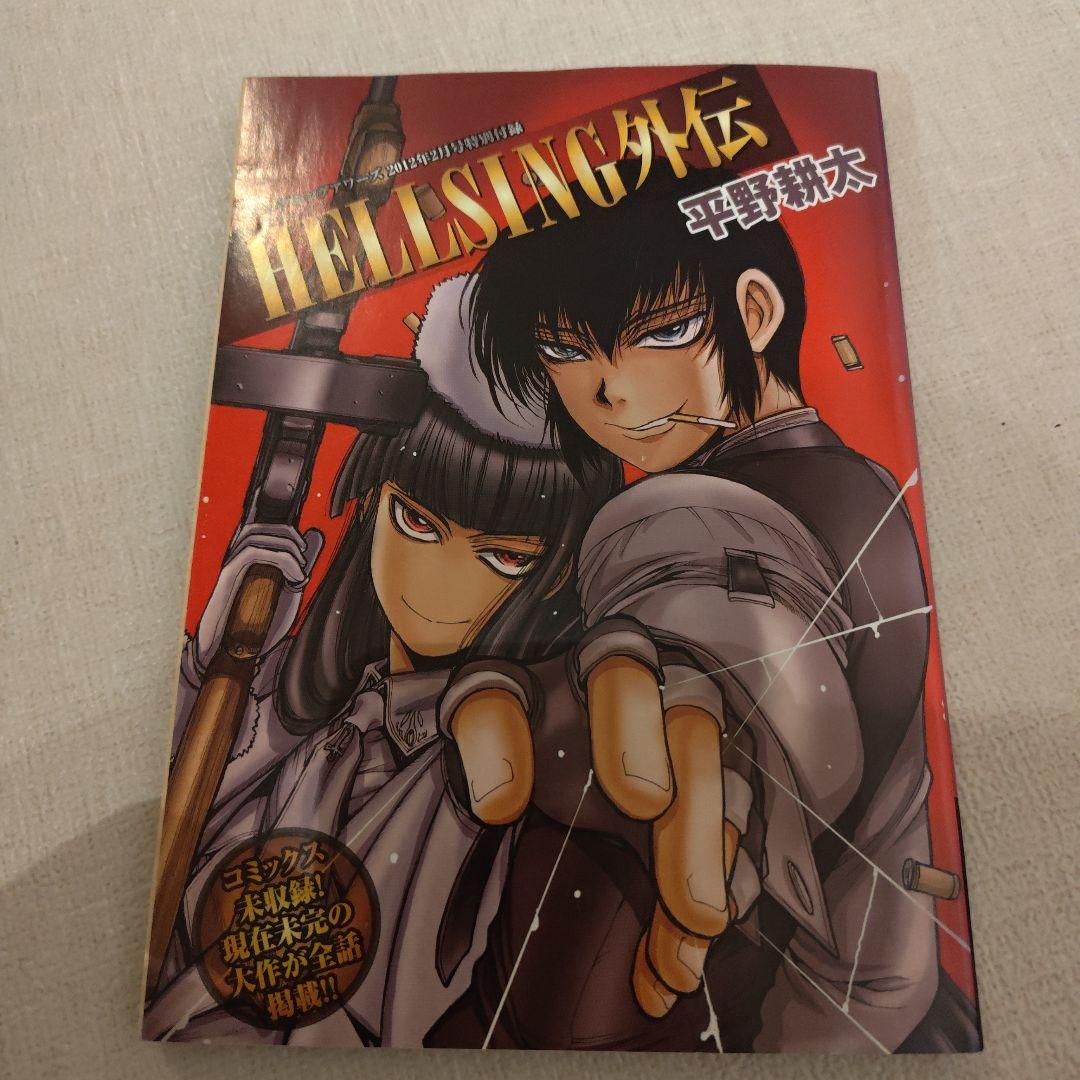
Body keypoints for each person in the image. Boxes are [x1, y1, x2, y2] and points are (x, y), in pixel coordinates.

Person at [435, 160, 978, 1051]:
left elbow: (717, 590)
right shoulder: (858, 489)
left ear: (754, 313)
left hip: (728, 1015)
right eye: (566, 350)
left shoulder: (769, 504)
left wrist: (703, 695)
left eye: (659, 332)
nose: (607, 388)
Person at [142, 276, 619, 1046]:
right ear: (370, 504)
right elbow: (161, 877)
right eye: (416, 523)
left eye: (503, 557)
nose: (439, 584)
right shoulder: (299, 708)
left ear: (556, 574)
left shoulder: (491, 768)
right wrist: (214, 668)